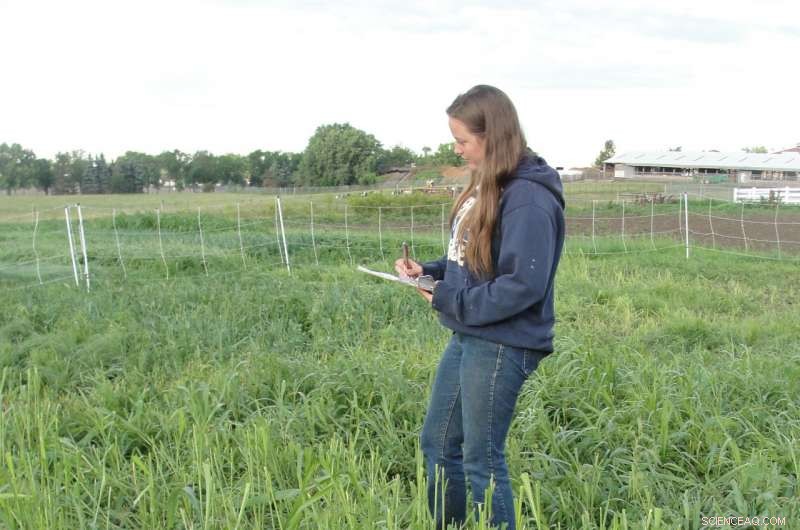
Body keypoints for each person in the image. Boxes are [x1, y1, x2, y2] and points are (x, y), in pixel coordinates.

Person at [395, 85, 565, 530]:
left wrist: (448, 297)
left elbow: (523, 284)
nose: (457, 149)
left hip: (503, 341)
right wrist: (429, 270)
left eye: (463, 140)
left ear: (493, 135)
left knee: (480, 459)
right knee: (436, 444)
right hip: (472, 332)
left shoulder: (529, 196)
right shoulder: (491, 185)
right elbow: (473, 258)